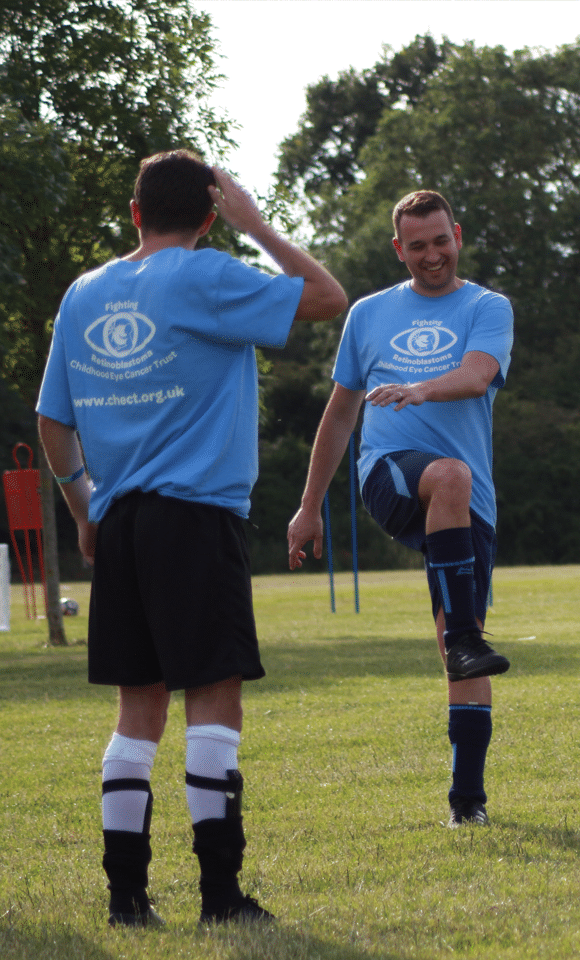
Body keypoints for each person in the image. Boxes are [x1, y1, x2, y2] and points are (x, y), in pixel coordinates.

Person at [36, 150, 347, 927]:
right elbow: (328, 297)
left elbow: (52, 420)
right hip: (195, 518)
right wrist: (259, 225)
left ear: (134, 213)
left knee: (134, 714)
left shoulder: (83, 292)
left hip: (123, 522)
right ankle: (219, 895)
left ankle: (125, 899)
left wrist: (82, 510)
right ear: (209, 216)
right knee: (212, 700)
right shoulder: (207, 274)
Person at [287, 189, 513, 828]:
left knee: (456, 649)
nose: (432, 255)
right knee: (446, 474)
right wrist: (310, 507)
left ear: (457, 236)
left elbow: (475, 374)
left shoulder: (487, 307)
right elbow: (339, 416)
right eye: (417, 246)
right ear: (399, 249)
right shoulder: (368, 313)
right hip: (388, 473)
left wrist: (419, 388)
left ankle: (467, 803)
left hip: (468, 501)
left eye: (440, 240)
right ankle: (469, 637)